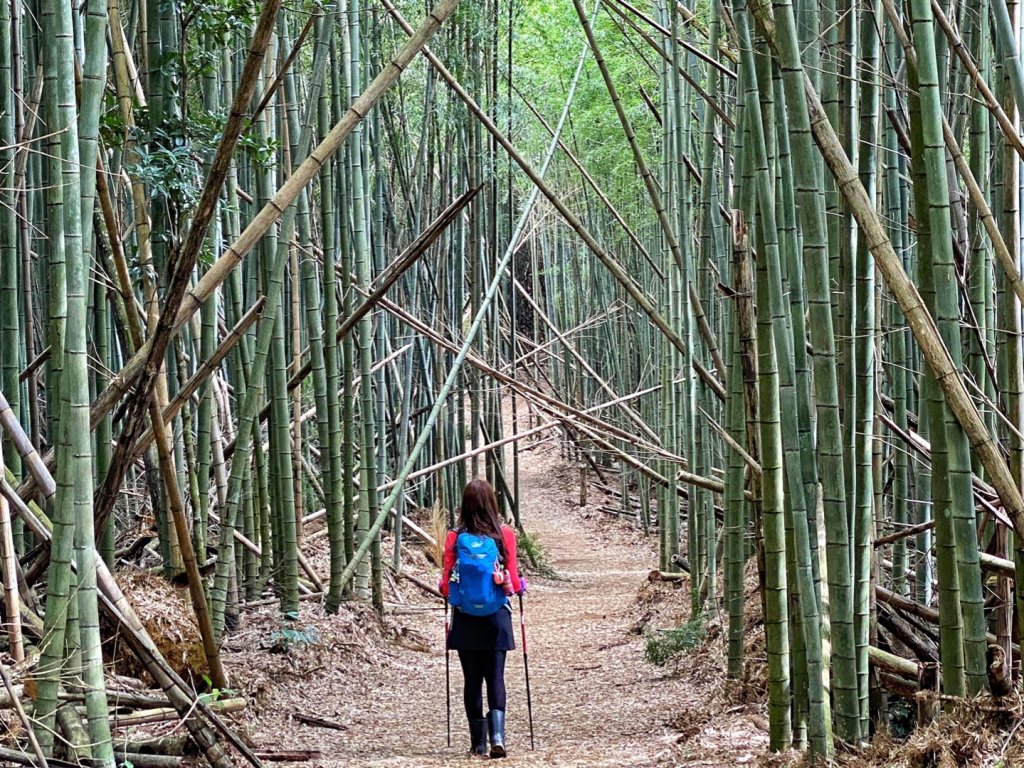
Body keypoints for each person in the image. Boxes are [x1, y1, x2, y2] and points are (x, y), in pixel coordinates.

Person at [440, 479, 526, 758]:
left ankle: (478, 743)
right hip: (496, 616)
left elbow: (445, 582)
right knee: (496, 676)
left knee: (472, 679)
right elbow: (511, 580)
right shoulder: (504, 534)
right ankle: (498, 736)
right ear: (492, 502)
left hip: (465, 616)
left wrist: (449, 591)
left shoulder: (454, 536)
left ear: (464, 504)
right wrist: (519, 585)